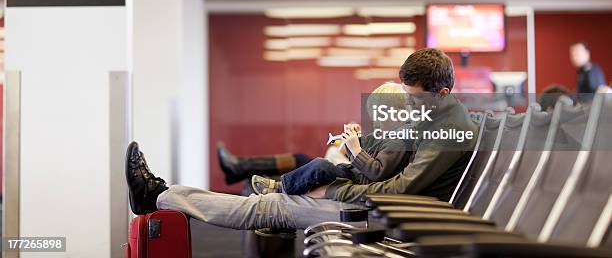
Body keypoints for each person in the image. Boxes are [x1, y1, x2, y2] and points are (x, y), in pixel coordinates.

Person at [126, 48, 479, 230]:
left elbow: (401, 191)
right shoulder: (433, 116)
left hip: (392, 215)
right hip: (382, 205)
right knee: (274, 200)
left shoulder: (448, 131)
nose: (409, 105)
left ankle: (160, 196)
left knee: (273, 207)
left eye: (415, 98)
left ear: (443, 91)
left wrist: (332, 191)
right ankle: (161, 194)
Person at [250, 82, 413, 195]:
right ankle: (284, 187)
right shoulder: (388, 136)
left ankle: (281, 188)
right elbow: (365, 158)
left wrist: (356, 149)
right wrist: (353, 143)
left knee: (320, 166)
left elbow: (377, 172)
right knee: (320, 166)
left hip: (361, 183)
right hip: (355, 174)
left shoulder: (399, 142)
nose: (376, 122)